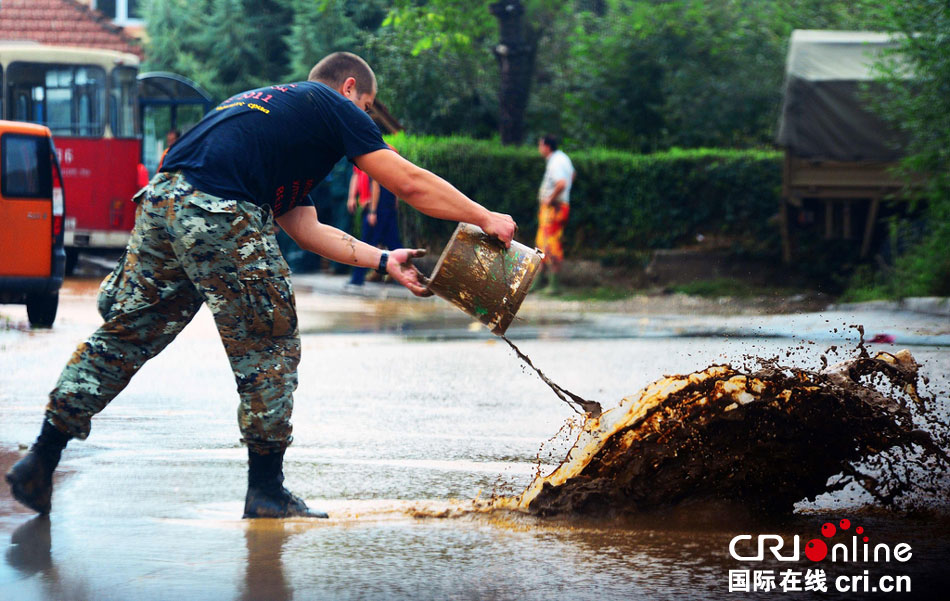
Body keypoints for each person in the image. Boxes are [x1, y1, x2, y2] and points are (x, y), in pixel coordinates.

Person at [4, 52, 516, 520]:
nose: (366, 118)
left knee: (125, 337)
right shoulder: (328, 102)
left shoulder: (272, 115)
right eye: (367, 107)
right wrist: (483, 216)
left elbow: (305, 227)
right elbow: (406, 182)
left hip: (164, 201)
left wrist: (385, 260)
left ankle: (41, 459)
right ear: (350, 88)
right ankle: (266, 491)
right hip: (218, 206)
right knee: (269, 345)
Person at [349, 145, 403, 287]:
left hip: (378, 207)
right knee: (393, 242)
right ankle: (403, 276)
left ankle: (357, 279)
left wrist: (372, 211)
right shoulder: (390, 151)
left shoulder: (373, 151)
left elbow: (376, 185)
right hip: (388, 205)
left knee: (367, 243)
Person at [535, 134, 575, 294]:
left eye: (540, 145)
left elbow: (562, 183)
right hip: (558, 207)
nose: (539, 149)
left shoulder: (555, 161)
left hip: (554, 208)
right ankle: (540, 281)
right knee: (542, 242)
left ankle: (554, 285)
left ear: (546, 146)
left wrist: (550, 198)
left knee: (550, 243)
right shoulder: (562, 158)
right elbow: (572, 175)